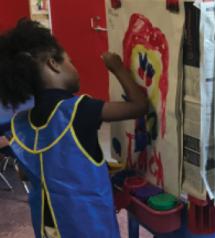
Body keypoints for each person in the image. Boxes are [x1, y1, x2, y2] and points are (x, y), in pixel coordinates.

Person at [0, 19, 149, 238]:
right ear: (53, 63)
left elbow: (25, 172)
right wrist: (117, 68)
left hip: (47, 226)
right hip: (89, 226)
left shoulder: (20, 123)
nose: (75, 67)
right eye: (70, 61)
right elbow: (139, 106)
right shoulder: (79, 110)